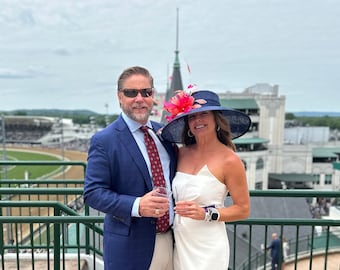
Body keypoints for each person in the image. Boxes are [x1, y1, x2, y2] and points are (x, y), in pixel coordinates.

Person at [83, 66, 178, 270]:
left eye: (146, 92)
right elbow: (93, 193)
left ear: (153, 96)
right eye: (130, 92)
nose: (139, 98)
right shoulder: (104, 140)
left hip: (174, 242)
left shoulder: (164, 135)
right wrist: (136, 206)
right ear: (119, 96)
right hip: (131, 249)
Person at [160, 89, 251, 270]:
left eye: (204, 114)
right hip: (180, 243)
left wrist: (207, 214)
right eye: (192, 117)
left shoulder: (230, 160)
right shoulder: (181, 153)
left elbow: (243, 210)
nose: (198, 121)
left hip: (209, 247)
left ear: (216, 118)